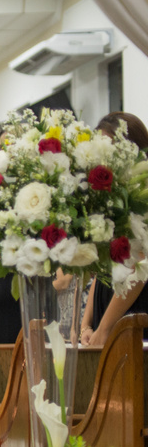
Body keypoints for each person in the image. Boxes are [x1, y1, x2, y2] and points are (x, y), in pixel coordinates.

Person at [80, 111, 148, 347]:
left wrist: (105, 328)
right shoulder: (109, 196)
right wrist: (87, 325)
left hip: (130, 309)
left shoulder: (141, 194)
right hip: (106, 308)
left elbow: (138, 268)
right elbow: (102, 269)